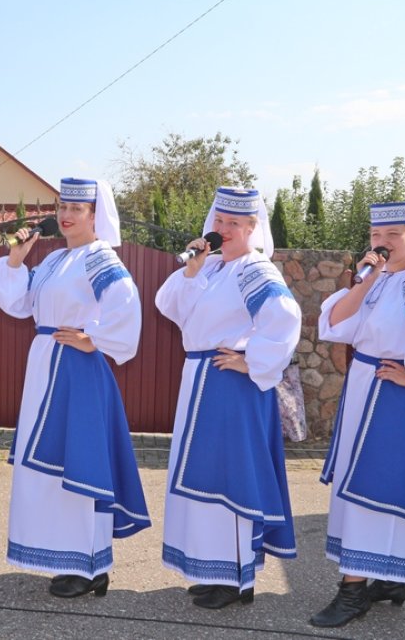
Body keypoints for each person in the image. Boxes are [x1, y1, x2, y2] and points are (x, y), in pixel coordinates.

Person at [0, 177, 150, 598]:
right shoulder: (56, 260)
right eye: (62, 206)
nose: (66, 215)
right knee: (48, 468)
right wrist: (15, 260)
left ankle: (89, 564)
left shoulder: (100, 258)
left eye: (77, 208)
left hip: (75, 371)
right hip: (45, 367)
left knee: (77, 463)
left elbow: (125, 303)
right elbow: (19, 303)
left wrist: (93, 337)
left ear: (95, 215)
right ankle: (71, 558)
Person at [310, 201, 405, 628]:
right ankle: (389, 579)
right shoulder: (378, 278)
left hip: (396, 397)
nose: (382, 243)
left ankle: (352, 593)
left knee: (374, 489)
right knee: (361, 485)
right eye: (375, 235)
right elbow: (334, 322)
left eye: (393, 235)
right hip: (365, 387)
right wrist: (365, 280)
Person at [156, 187, 301, 610]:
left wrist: (251, 359)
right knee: (205, 475)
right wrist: (192, 271)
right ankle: (214, 570)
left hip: (229, 387)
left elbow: (285, 319)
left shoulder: (255, 270)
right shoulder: (214, 266)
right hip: (202, 380)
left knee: (228, 478)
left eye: (234, 223)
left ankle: (237, 576)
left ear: (252, 227)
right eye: (219, 221)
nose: (224, 229)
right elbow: (169, 306)